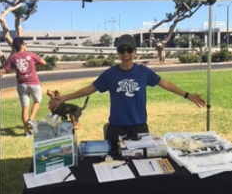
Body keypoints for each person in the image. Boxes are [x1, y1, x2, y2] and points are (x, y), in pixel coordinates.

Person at [48, 34, 206, 149]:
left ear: (135, 51)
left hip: (140, 128)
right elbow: (89, 89)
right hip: (116, 128)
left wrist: (187, 95)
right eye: (122, 50)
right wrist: (64, 98)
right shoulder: (110, 74)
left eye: (129, 50)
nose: (126, 54)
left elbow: (165, 83)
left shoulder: (144, 72)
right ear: (117, 52)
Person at [0, 37, 47, 137]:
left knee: (24, 108)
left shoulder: (13, 57)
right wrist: (34, 65)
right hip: (33, 83)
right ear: (21, 45)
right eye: (25, 44)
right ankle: (31, 119)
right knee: (37, 102)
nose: (26, 45)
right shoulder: (31, 54)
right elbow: (43, 62)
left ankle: (26, 132)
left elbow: (4, 70)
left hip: (21, 84)